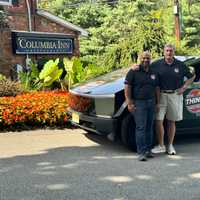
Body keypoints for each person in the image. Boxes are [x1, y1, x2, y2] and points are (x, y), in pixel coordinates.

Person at [132, 44, 195, 155]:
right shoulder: (157, 64)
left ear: (173, 52)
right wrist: (135, 67)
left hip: (175, 95)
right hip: (160, 95)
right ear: (164, 52)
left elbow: (192, 76)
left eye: (171, 50)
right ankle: (161, 145)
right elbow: (145, 67)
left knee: (171, 121)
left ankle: (170, 146)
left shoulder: (180, 65)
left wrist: (184, 87)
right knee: (158, 120)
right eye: (167, 50)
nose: (169, 53)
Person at [124, 51, 160, 161]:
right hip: (139, 103)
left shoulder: (154, 72)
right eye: (143, 58)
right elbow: (127, 87)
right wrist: (129, 102)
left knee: (149, 127)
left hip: (152, 102)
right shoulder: (133, 71)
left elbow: (157, 88)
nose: (145, 60)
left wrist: (158, 103)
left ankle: (148, 150)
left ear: (150, 59)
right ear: (140, 59)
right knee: (141, 128)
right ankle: (141, 152)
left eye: (148, 58)